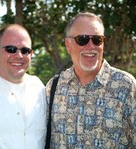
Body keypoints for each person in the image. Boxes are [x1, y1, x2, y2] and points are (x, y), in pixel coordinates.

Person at [45, 12, 136, 148]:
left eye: (97, 40)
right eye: (82, 39)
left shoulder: (126, 86)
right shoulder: (54, 87)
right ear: (68, 44)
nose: (91, 46)